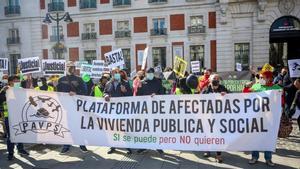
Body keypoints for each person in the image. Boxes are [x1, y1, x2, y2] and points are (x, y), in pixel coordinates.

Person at [248, 64, 282, 167]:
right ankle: (254, 156)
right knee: (255, 137)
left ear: (270, 78)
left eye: (265, 77)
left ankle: (268, 158)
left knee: (269, 137)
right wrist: (247, 88)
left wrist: (280, 93)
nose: (263, 79)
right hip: (257, 117)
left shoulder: (276, 88)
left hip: (270, 118)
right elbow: (245, 96)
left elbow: (281, 101)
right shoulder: (256, 86)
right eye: (261, 77)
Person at [56, 61, 88, 154]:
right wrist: (55, 86)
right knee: (67, 126)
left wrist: (76, 94)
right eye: (69, 66)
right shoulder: (60, 79)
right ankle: (66, 145)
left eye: (72, 67)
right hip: (66, 106)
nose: (71, 68)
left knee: (78, 125)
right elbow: (58, 94)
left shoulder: (79, 79)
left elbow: (85, 91)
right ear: (66, 68)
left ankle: (82, 144)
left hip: (77, 106)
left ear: (74, 68)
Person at [104, 68, 133, 155]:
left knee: (123, 128)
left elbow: (131, 95)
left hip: (122, 110)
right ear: (111, 74)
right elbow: (105, 92)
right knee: (113, 128)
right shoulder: (109, 83)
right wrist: (105, 95)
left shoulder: (126, 83)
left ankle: (127, 146)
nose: (115, 74)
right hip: (112, 110)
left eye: (117, 73)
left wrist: (125, 91)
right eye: (114, 73)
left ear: (119, 74)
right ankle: (113, 146)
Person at [0, 76, 29, 160]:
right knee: (10, 135)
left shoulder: (20, 89)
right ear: (10, 82)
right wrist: (3, 92)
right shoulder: (5, 90)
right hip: (8, 116)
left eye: (18, 81)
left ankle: (21, 149)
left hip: (19, 115)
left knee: (20, 132)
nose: (17, 82)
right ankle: (10, 153)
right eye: (15, 81)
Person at [136, 68, 164, 154]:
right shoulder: (142, 82)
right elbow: (138, 95)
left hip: (155, 109)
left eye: (151, 73)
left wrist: (157, 95)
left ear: (154, 74)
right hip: (145, 109)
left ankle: (158, 146)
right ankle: (144, 146)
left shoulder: (158, 82)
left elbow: (163, 93)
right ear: (146, 74)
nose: (150, 74)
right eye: (148, 73)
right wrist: (139, 88)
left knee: (155, 128)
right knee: (145, 129)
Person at [202, 74, 228, 163]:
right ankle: (207, 149)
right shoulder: (207, 89)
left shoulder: (222, 88)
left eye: (217, 79)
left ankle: (218, 154)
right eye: (214, 78)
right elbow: (199, 98)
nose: (216, 80)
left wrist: (226, 95)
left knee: (218, 136)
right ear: (210, 80)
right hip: (208, 117)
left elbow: (232, 97)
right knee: (207, 134)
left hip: (219, 117)